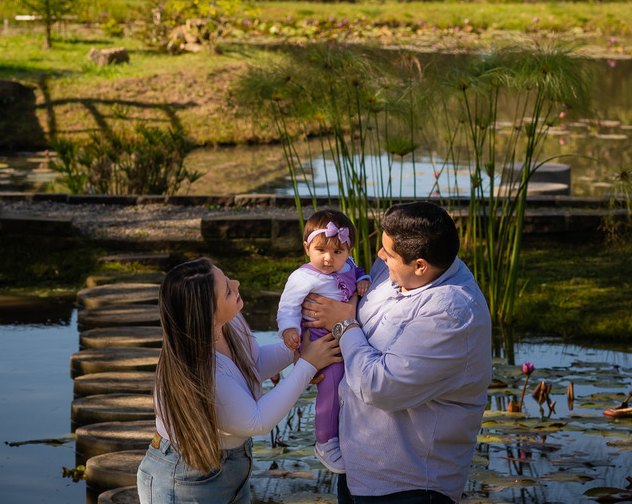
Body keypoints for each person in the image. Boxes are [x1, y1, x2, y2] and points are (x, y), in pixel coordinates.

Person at [302, 201, 493, 504]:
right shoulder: (397, 270)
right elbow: (357, 324)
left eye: (388, 253)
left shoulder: (451, 313)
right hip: (358, 469)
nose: (379, 257)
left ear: (420, 265)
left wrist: (343, 324)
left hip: (409, 486)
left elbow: (380, 386)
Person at [138, 257, 342, 504]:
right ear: (209, 316)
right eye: (227, 290)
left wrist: (297, 350)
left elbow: (251, 366)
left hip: (232, 466)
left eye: (228, 278)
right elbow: (257, 422)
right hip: (185, 478)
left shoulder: (229, 324)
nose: (237, 283)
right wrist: (308, 365)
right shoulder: (203, 370)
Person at [276, 208, 372, 474]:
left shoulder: (349, 266)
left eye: (338, 252)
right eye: (321, 251)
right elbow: (288, 307)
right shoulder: (303, 277)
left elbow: (357, 271)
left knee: (349, 389)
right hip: (323, 344)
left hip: (347, 339)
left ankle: (344, 434)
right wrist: (289, 331)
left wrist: (364, 280)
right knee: (330, 389)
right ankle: (325, 441)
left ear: (349, 251)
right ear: (307, 248)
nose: (329, 259)